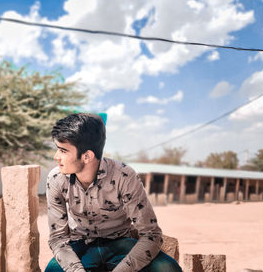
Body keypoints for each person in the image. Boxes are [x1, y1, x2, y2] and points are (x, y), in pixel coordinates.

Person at [45, 113, 182, 272]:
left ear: (87, 156)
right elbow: (58, 238)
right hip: (80, 246)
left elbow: (151, 235)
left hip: (120, 244)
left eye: (63, 151)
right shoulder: (56, 179)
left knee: (167, 269)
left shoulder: (123, 175)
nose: (56, 157)